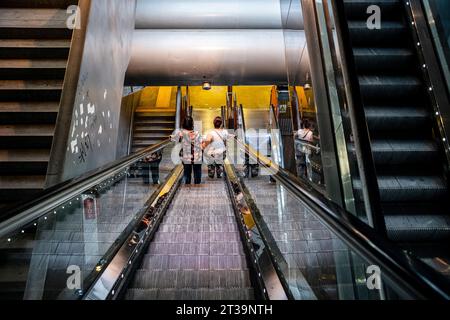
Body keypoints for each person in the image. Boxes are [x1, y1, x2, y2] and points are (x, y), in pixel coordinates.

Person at [176, 116, 203, 185]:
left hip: (186, 157)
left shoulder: (180, 133)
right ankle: (197, 185)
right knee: (197, 171)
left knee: (187, 172)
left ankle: (187, 185)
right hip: (197, 156)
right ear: (192, 124)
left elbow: (178, 141)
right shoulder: (197, 133)